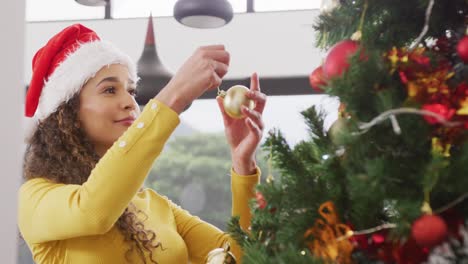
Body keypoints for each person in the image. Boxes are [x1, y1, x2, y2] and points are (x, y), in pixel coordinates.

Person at [18, 24, 267, 264]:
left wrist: (242, 164)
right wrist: (175, 94)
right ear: (67, 113)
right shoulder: (34, 198)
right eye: (109, 90)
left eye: (131, 91)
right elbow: (94, 210)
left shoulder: (157, 205)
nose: (130, 102)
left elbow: (240, 257)